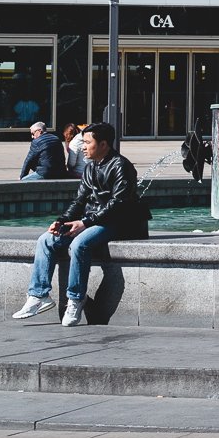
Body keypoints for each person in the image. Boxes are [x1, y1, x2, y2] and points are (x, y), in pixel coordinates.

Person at [13, 123, 149, 325]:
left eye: (87, 142)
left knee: (79, 244)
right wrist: (61, 221)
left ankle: (76, 299)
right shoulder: (91, 167)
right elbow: (79, 201)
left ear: (103, 144)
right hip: (94, 219)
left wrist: (84, 223)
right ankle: (39, 295)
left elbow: (118, 205)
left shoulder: (121, 166)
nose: (83, 146)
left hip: (119, 222)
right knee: (46, 240)